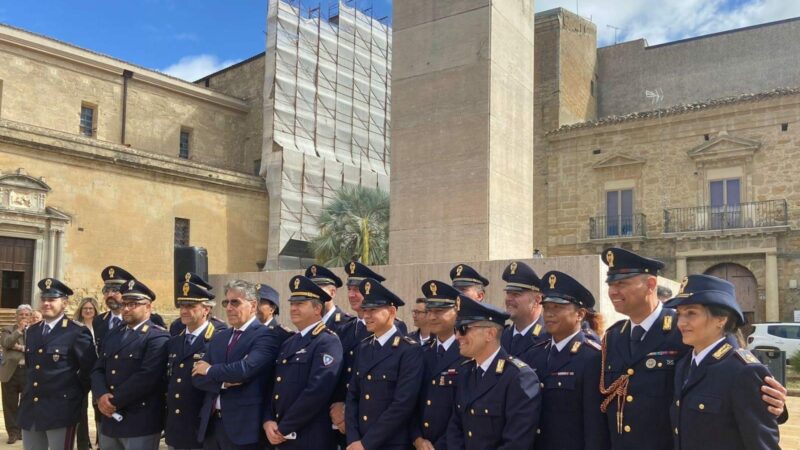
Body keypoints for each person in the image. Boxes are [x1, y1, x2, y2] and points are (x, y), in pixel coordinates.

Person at [598, 247, 787, 450]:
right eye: (610, 284)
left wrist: (772, 403)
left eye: (621, 283)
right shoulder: (614, 337)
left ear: (651, 284)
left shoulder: (686, 335)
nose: (682, 322)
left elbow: (729, 359)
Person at [665, 274, 780, 450]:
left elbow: (762, 444)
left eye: (691, 313)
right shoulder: (684, 365)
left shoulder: (742, 371)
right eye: (679, 314)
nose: (681, 323)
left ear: (721, 319)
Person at [192, 280, 288, 450]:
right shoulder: (220, 337)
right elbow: (197, 378)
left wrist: (210, 370)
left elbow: (244, 370)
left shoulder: (265, 336)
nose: (229, 308)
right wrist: (223, 381)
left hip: (244, 429)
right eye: (226, 302)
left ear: (252, 305)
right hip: (212, 426)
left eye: (235, 302)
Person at [523, 271, 609, 450]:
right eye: (546, 308)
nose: (549, 314)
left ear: (580, 314)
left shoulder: (591, 357)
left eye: (558, 308)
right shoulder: (534, 355)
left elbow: (594, 425)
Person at [445, 292, 541, 449]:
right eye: (456, 329)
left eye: (463, 329)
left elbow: (516, 442)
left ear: (490, 333)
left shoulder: (519, 378)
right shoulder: (466, 372)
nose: (457, 336)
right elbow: (455, 427)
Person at [263, 275, 343, 449]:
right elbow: (274, 385)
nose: (293, 308)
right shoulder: (288, 342)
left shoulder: (327, 341)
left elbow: (317, 391)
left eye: (300, 304)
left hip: (309, 436)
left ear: (317, 309)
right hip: (281, 435)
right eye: (292, 303)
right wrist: (268, 420)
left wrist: (284, 427)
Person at [90, 278, 170, 450]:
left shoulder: (157, 337)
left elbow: (147, 377)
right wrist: (101, 395)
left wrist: (113, 402)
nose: (126, 308)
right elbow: (98, 368)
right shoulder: (113, 333)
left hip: (139, 420)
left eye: (133, 304)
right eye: (124, 303)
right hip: (110, 419)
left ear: (148, 306)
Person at [329, 261, 405, 440]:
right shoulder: (344, 328)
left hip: (374, 420)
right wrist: (338, 404)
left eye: (357, 290)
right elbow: (337, 373)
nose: (352, 294)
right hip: (342, 418)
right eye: (349, 289)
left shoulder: (396, 327)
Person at [19, 278, 97, 450]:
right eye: (44, 299)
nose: (46, 303)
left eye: (52, 300)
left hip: (61, 410)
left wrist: (72, 395)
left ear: (64, 303)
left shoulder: (76, 332)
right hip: (31, 408)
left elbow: (89, 370)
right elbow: (32, 367)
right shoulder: (32, 331)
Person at [345, 278, 422, 450]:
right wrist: (353, 438)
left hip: (391, 443)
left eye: (373, 310)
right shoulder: (364, 347)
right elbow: (352, 396)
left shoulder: (408, 350)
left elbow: (402, 405)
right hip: (358, 441)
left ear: (392, 311)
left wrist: (366, 444)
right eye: (365, 310)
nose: (367, 316)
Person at [165, 279, 225, 450]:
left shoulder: (218, 339)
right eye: (182, 306)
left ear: (206, 309)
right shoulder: (175, 341)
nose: (184, 311)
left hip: (203, 426)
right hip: (176, 426)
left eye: (191, 306)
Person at [411, 280, 466, 450]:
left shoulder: (467, 354)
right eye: (429, 311)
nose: (432, 317)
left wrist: (441, 445)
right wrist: (417, 438)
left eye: (440, 311)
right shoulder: (421, 352)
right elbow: (410, 401)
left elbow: (465, 412)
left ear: (457, 310)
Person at [500, 261, 549, 357]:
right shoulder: (500, 337)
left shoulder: (549, 338)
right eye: (508, 293)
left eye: (516, 294)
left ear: (537, 300)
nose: (508, 299)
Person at [0, 304, 32, 444]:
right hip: (10, 371)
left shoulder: (35, 331)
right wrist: (19, 330)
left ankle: (22, 430)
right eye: (21, 314)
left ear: (30, 317)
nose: (23, 317)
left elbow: (35, 348)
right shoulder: (7, 329)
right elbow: (7, 343)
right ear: (16, 316)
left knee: (26, 403)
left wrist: (19, 347)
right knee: (10, 404)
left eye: (26, 315)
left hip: (28, 371)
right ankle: (12, 433)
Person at [74, 297, 100, 450]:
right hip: (82, 372)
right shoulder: (76, 327)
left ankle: (100, 441)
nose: (88, 311)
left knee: (99, 408)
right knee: (80, 409)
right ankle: (83, 443)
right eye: (85, 308)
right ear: (81, 310)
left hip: (98, 371)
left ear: (95, 310)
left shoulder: (101, 326)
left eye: (91, 308)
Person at [93, 266, 133, 353]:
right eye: (106, 291)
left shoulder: (137, 319)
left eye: (115, 290)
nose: (110, 295)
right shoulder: (98, 321)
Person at [306, 264, 354, 333]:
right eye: (311, 291)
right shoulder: (307, 324)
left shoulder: (346, 324)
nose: (314, 295)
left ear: (332, 293)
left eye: (318, 291)